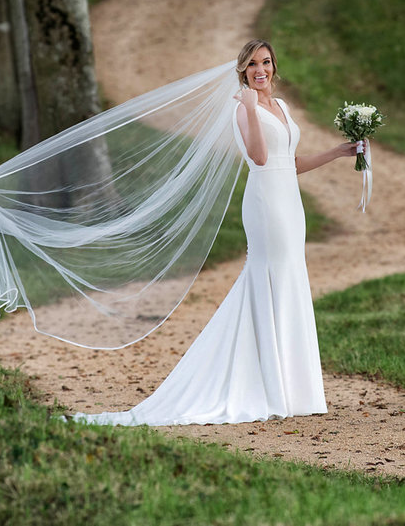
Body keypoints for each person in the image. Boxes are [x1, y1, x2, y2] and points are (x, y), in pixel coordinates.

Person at [73, 39, 358, 425]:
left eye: (267, 62)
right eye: (253, 64)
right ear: (242, 70)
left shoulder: (283, 107)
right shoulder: (243, 108)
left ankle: (295, 388)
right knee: (269, 276)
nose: (261, 70)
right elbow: (259, 157)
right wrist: (252, 109)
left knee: (290, 277)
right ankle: (267, 385)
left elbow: (289, 162)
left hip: (290, 203)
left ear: (275, 66)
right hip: (266, 203)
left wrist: (337, 152)